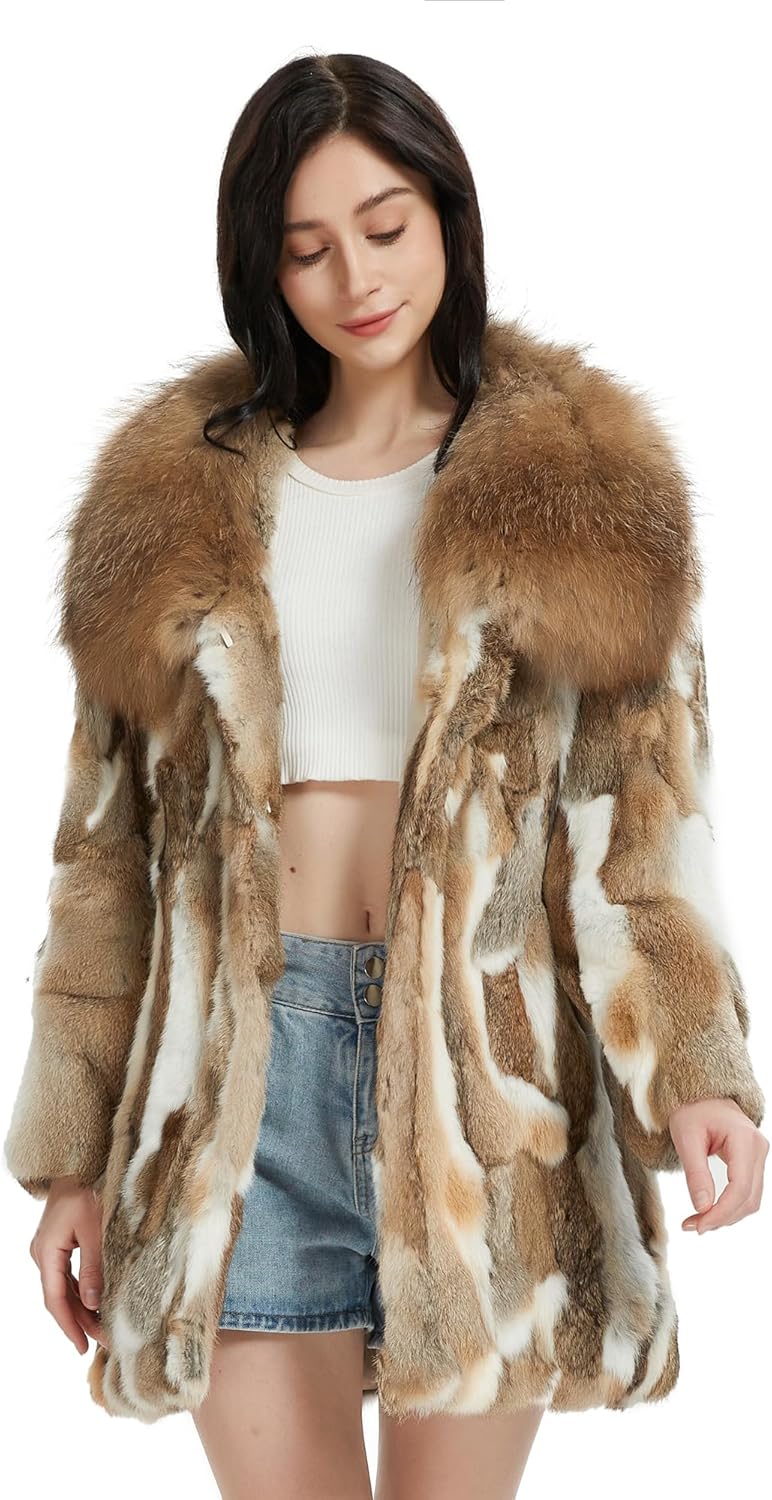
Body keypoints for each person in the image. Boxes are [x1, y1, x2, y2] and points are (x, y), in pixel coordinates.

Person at [4, 51, 767, 1500]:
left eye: (386, 224)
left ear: (449, 216)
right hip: (236, 1088)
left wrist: (699, 1071)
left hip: (485, 1086)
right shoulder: (168, 508)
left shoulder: (581, 497)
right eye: (306, 248)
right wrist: (73, 1162)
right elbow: (102, 864)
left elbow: (640, 832)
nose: (355, 278)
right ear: (260, 267)